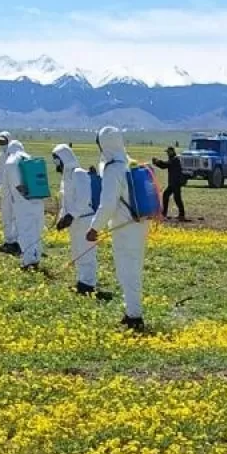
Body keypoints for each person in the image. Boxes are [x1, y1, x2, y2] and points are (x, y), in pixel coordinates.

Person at [88, 126, 151, 331]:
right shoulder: (128, 163)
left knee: (127, 271)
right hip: (138, 224)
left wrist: (94, 228)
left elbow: (107, 204)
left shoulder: (113, 169)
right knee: (132, 268)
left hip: (124, 228)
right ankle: (131, 311)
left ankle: (135, 317)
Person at [52, 144, 106, 297]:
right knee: (77, 252)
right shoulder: (66, 178)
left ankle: (88, 284)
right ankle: (82, 281)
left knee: (86, 252)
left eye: (57, 160)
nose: (56, 163)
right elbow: (66, 202)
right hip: (75, 221)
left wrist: (71, 215)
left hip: (84, 220)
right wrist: (62, 218)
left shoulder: (79, 174)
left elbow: (83, 199)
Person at [0, 140, 45, 270]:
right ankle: (36, 258)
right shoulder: (29, 158)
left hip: (23, 202)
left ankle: (28, 261)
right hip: (37, 200)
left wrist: (23, 193)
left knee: (25, 231)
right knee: (36, 231)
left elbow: (17, 184)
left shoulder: (11, 160)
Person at [0, 132, 19, 254]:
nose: (1, 144)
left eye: (3, 142)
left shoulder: (16, 155)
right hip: (5, 191)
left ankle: (17, 241)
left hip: (16, 191)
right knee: (6, 215)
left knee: (16, 216)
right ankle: (8, 241)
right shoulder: (2, 155)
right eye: (0, 142)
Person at [152, 147, 187, 221]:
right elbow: (164, 166)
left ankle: (181, 215)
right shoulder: (173, 159)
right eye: (167, 152)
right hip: (173, 183)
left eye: (168, 152)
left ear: (172, 152)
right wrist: (157, 163)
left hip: (176, 183)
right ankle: (165, 214)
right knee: (166, 195)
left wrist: (157, 162)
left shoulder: (175, 159)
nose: (167, 153)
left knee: (177, 198)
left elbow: (166, 164)